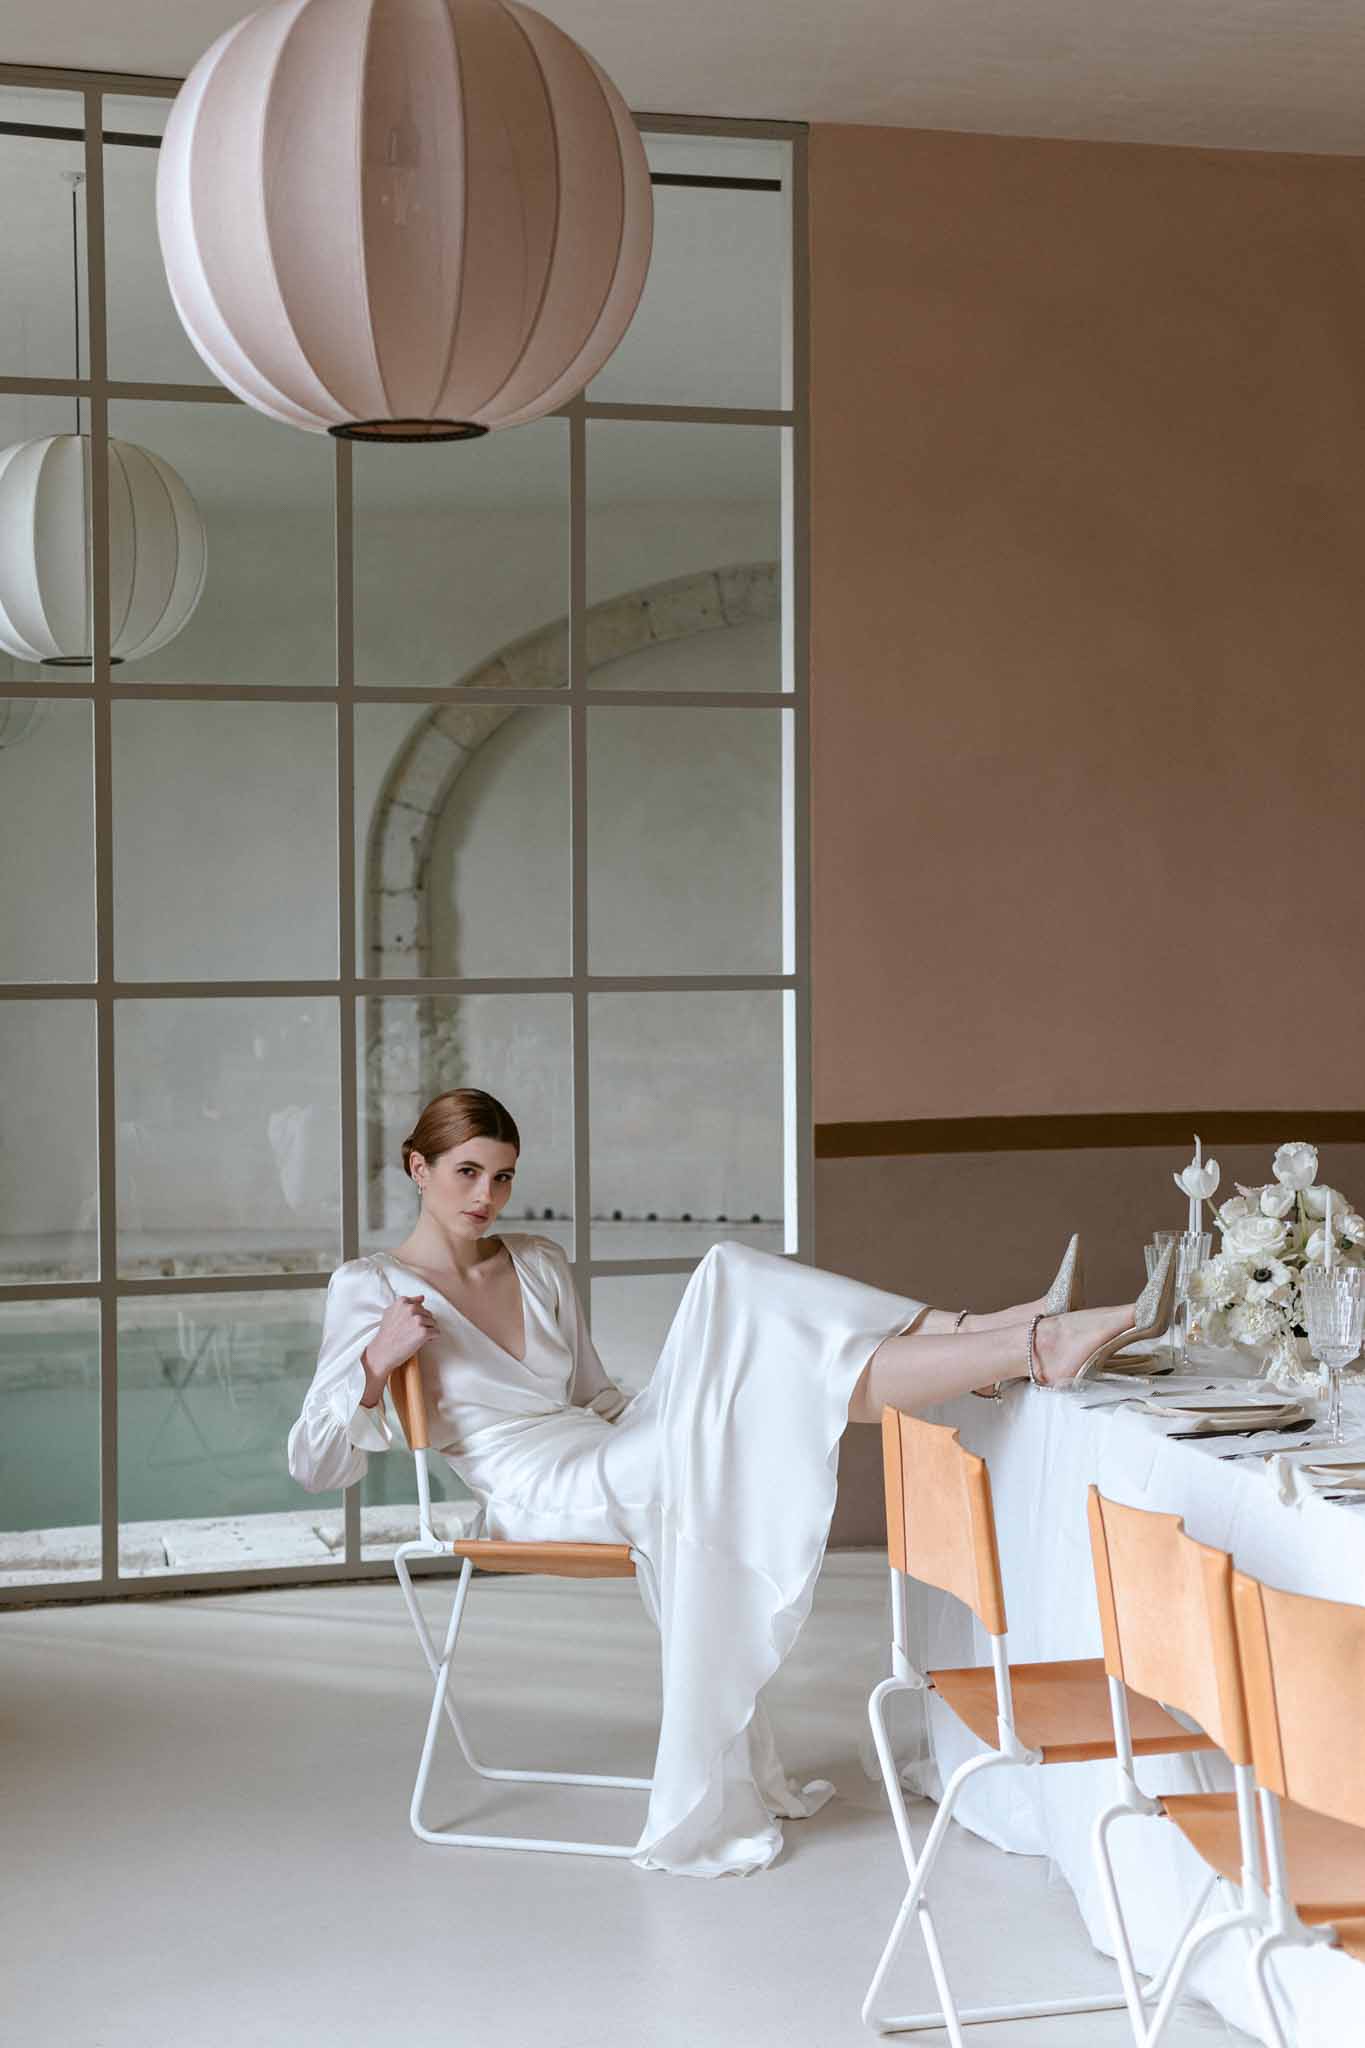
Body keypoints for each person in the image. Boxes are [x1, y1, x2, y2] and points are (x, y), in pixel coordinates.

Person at [288, 1088, 1147, 1877]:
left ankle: (1008, 1342)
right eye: (467, 1173)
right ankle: (1004, 1338)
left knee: (748, 1306)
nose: (485, 1196)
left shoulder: (536, 1261)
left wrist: (675, 1421)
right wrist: (373, 1360)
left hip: (608, 1447)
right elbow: (315, 1461)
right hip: (535, 1488)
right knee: (740, 1300)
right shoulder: (372, 1288)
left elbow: (593, 1395)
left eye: (502, 1177)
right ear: (418, 1169)